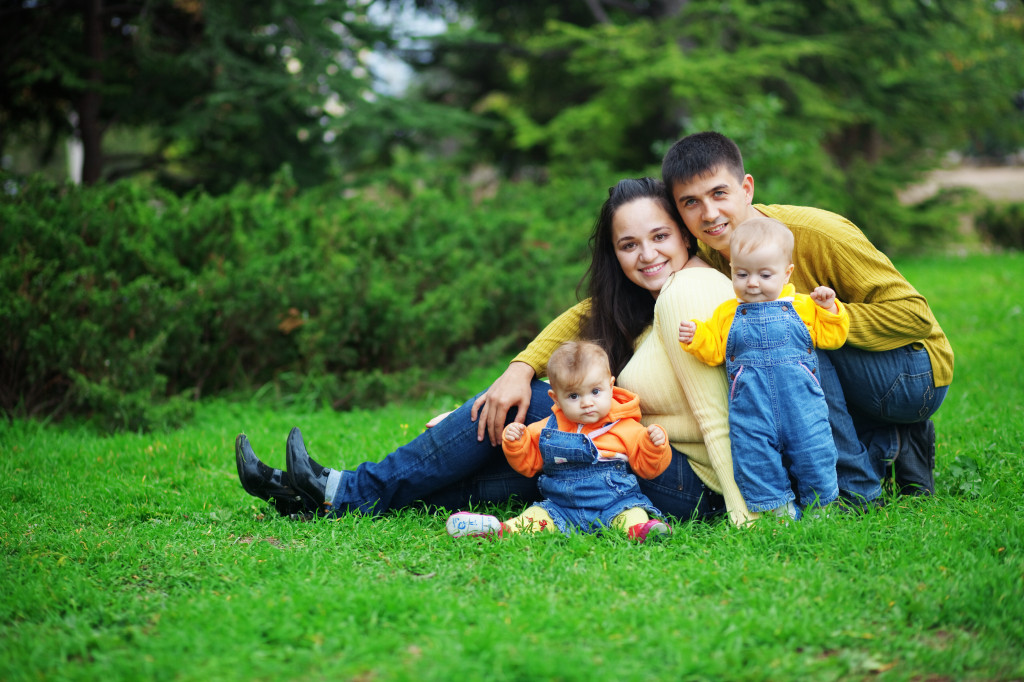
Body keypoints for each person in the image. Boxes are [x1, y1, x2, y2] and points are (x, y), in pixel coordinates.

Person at [236, 177, 754, 526]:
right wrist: (510, 373)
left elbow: (720, 414)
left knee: (528, 403)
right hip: (625, 466)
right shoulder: (642, 306)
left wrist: (745, 510)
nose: (647, 255)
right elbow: (576, 324)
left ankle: (340, 490)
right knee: (507, 465)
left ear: (685, 236)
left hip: (686, 484)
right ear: (613, 253)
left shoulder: (691, 293)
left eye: (660, 236)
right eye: (628, 245)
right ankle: (313, 501)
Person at [508, 132, 953, 505]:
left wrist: (814, 318)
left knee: (783, 333)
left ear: (747, 188)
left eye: (719, 193)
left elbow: (913, 315)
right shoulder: (705, 256)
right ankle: (889, 446)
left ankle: (854, 493)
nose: (710, 214)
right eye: (690, 203)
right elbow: (594, 308)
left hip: (912, 371)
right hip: (846, 371)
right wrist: (523, 365)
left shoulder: (816, 233)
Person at [677, 217, 850, 519]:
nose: (752, 283)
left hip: (803, 406)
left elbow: (833, 337)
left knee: (815, 453)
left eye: (764, 275)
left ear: (786, 274)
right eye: (742, 274)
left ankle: (820, 508)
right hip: (751, 408)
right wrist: (697, 336)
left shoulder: (803, 307)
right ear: (731, 270)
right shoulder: (727, 313)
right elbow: (715, 350)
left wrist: (830, 310)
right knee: (755, 459)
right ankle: (778, 511)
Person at [446, 341, 673, 541]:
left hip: (615, 504)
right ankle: (499, 530)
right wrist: (516, 444)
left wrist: (654, 446)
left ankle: (641, 531)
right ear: (555, 397)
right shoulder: (546, 428)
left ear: (611, 387)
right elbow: (528, 465)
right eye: (574, 396)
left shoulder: (627, 428)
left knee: (632, 514)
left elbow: (648, 468)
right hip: (561, 507)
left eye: (595, 391)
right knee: (535, 517)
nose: (587, 403)